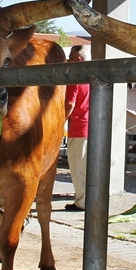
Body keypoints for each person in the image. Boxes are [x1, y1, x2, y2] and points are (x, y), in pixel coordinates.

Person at [64, 45, 90, 212]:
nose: (68, 62)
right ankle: (90, 199)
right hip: (92, 128)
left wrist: (60, 121)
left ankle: (81, 202)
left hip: (79, 128)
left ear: (78, 60)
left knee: (77, 166)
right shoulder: (92, 76)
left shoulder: (76, 78)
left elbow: (70, 104)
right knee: (88, 167)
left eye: (70, 58)